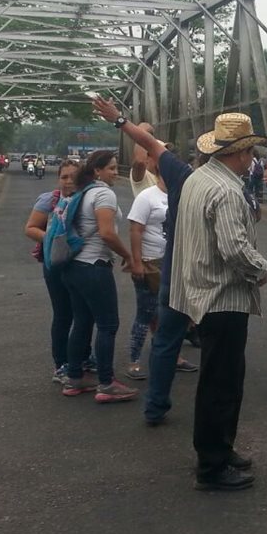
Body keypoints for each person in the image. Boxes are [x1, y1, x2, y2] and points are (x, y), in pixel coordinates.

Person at [171, 112, 267, 491]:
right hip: (222, 296)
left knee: (220, 378)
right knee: (222, 382)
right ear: (242, 153)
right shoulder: (228, 191)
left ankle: (220, 449)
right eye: (250, 152)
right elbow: (235, 250)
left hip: (199, 290)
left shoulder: (199, 178)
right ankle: (212, 464)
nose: (252, 159)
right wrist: (260, 268)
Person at [92, 98, 197, 427]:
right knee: (151, 317)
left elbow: (150, 146)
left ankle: (159, 388)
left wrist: (127, 124)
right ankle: (140, 364)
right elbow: (143, 150)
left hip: (172, 263)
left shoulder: (180, 180)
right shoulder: (145, 181)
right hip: (161, 264)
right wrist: (129, 124)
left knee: (165, 326)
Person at [58, 150, 138, 403]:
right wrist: (128, 255)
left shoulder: (80, 193)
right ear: (97, 171)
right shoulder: (103, 193)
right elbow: (107, 233)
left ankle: (74, 377)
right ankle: (106, 383)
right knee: (108, 324)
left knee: (82, 321)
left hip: (73, 267)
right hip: (94, 265)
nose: (115, 172)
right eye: (112, 168)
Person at [125, 168, 197, 380]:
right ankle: (134, 361)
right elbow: (135, 230)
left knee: (171, 313)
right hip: (151, 261)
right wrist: (137, 262)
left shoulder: (181, 196)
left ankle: (172, 357)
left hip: (174, 261)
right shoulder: (146, 197)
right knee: (146, 313)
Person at [24, 160, 91, 382]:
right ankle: (61, 363)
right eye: (64, 177)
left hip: (82, 265)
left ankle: (82, 357)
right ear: (58, 179)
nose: (69, 181)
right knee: (64, 314)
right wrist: (56, 238)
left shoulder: (87, 198)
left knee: (85, 313)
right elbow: (31, 228)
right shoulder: (49, 200)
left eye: (74, 176)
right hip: (57, 264)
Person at [129, 121, 159, 197]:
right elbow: (140, 160)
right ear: (148, 158)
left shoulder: (167, 176)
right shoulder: (144, 176)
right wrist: (142, 131)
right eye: (155, 154)